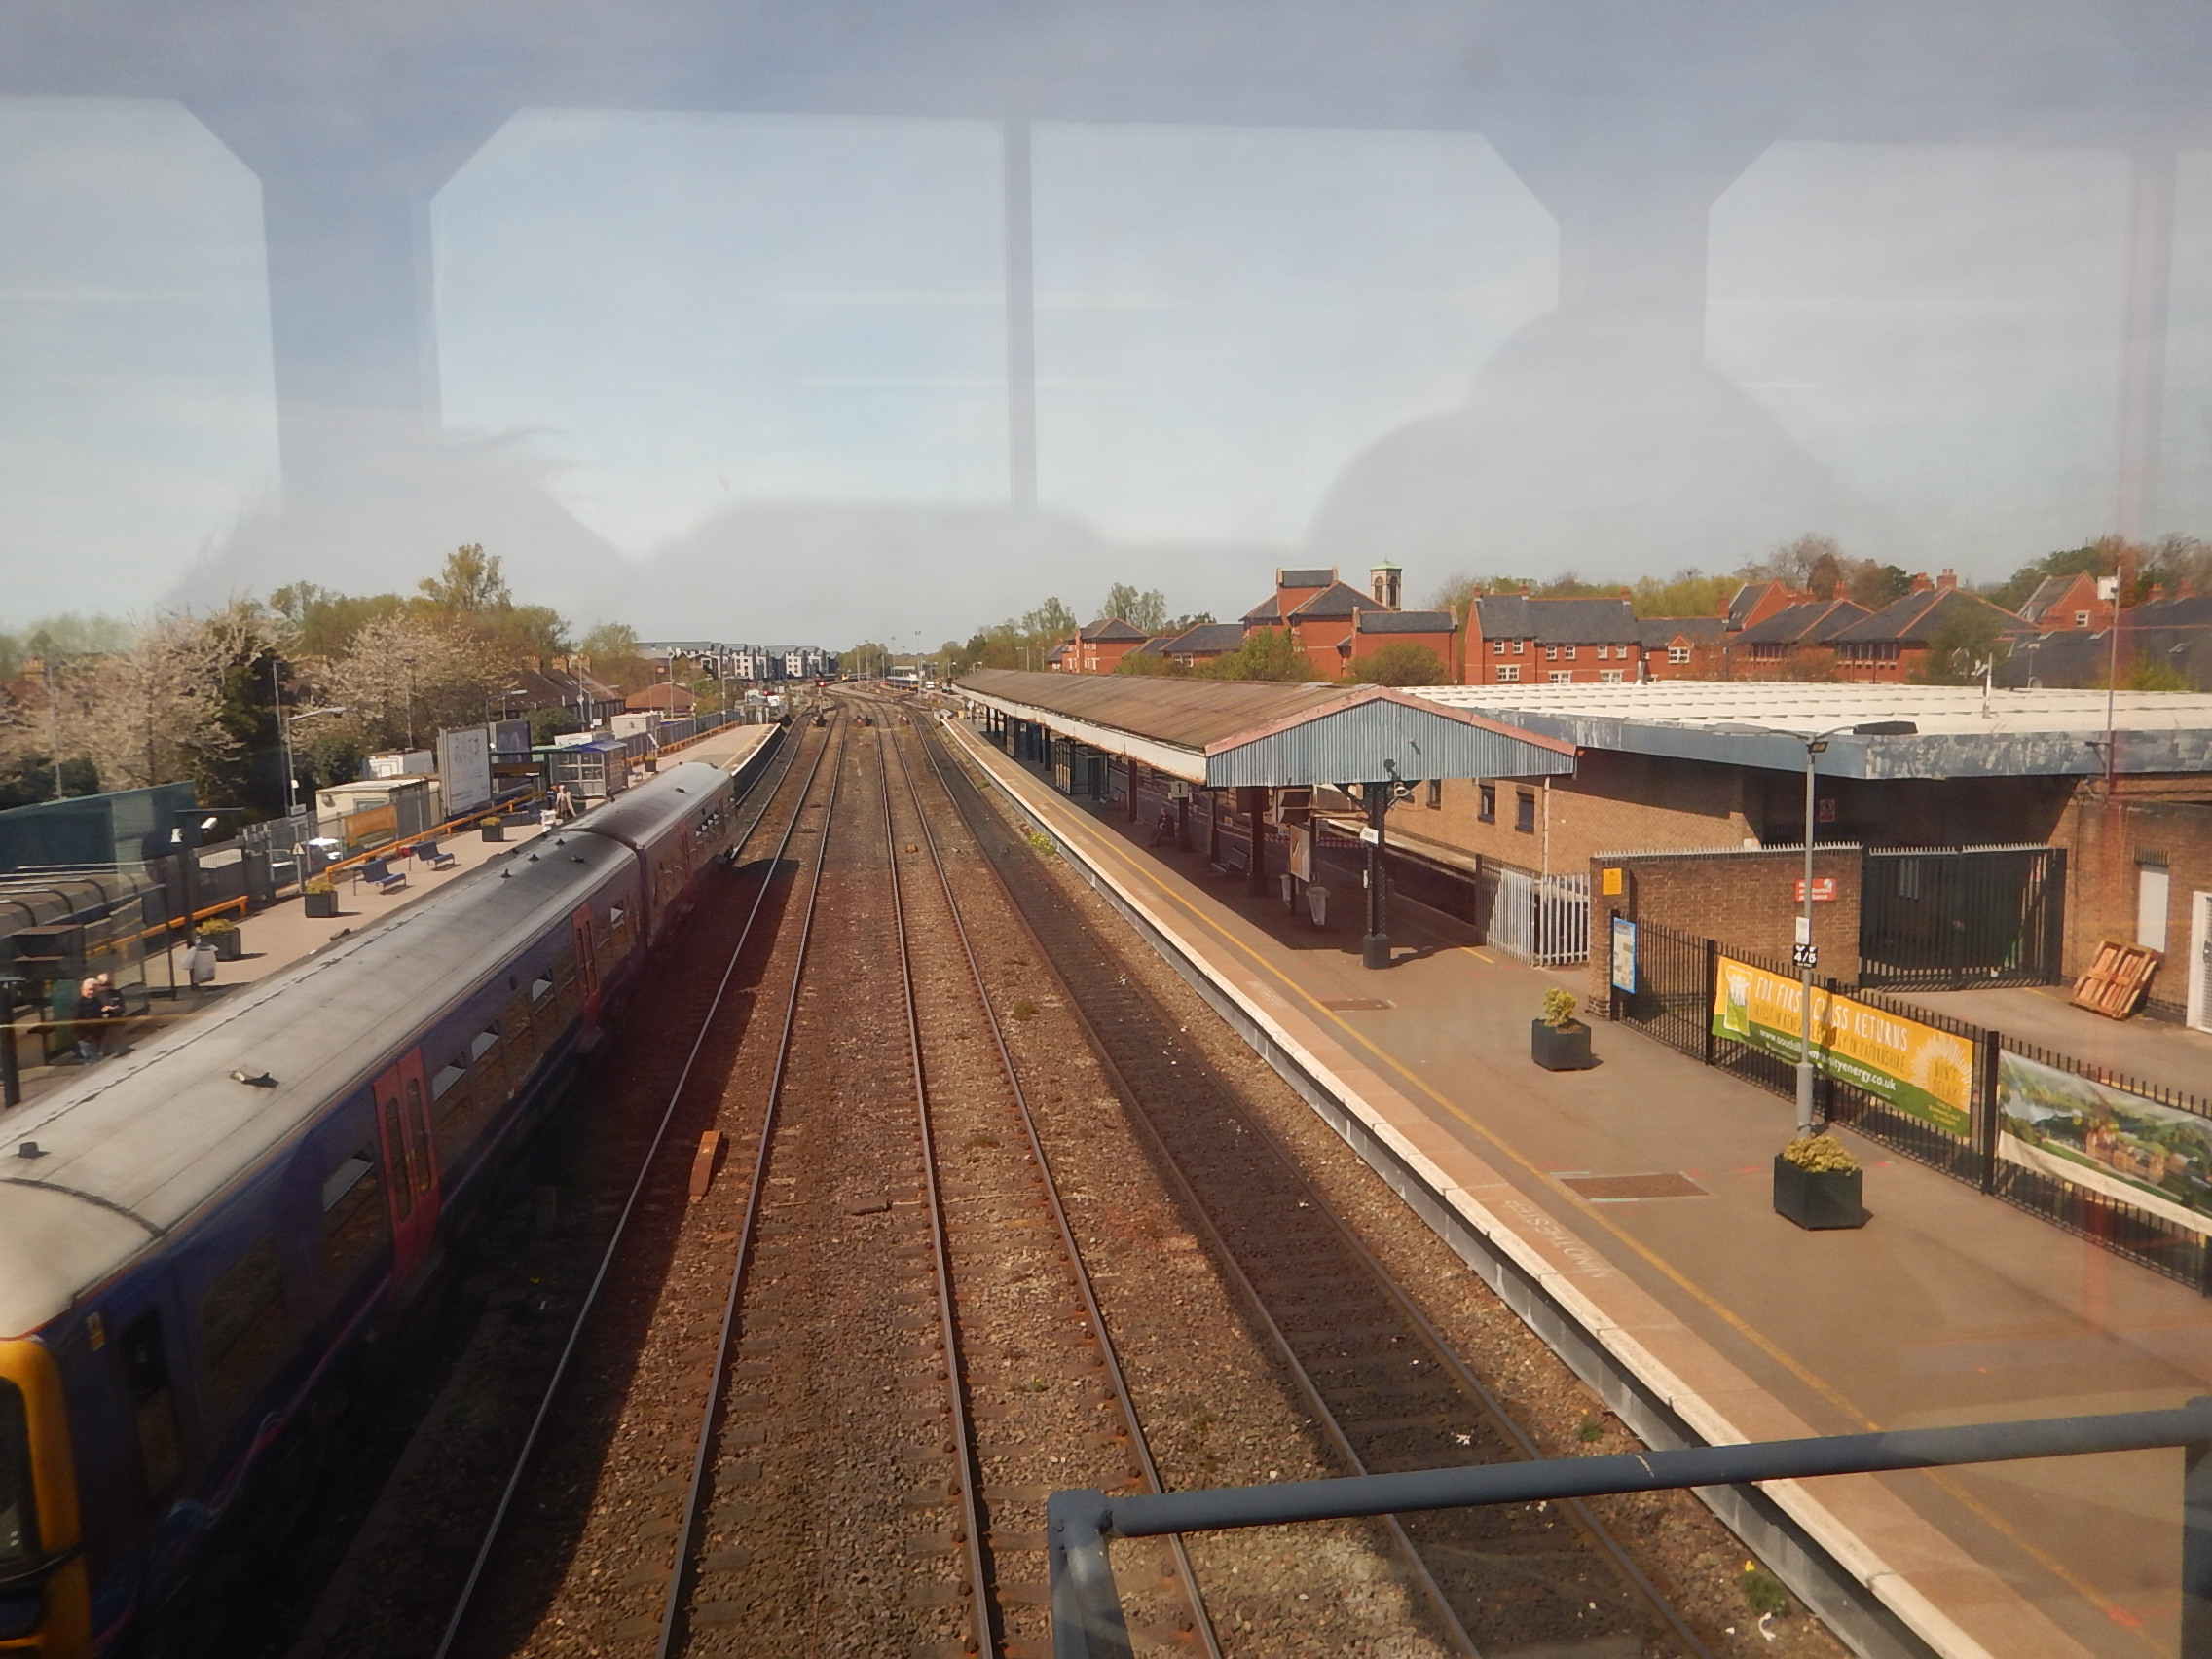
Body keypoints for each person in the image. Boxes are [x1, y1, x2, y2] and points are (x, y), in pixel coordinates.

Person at [71, 977, 103, 1064]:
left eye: (94, 990)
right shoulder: (78, 1004)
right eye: (90, 990)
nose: (92, 992)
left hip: (97, 1036)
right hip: (86, 1039)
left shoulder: (96, 1001)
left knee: (98, 1061)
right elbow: (75, 1022)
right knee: (92, 1061)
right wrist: (84, 1036)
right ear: (82, 990)